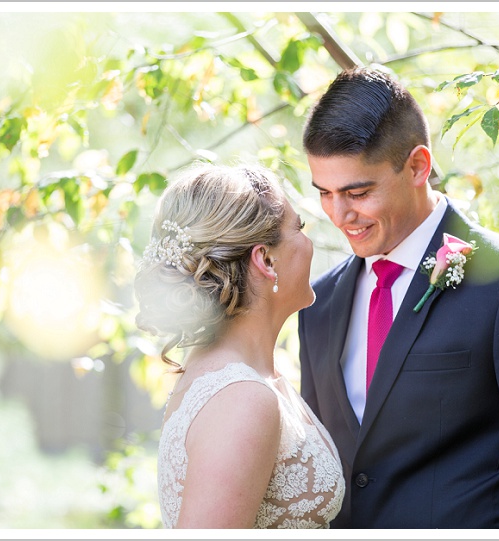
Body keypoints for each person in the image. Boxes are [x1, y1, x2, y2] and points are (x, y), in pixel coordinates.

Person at [297, 67, 499, 528]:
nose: (340, 214)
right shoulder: (320, 303)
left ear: (417, 166)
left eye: (358, 191)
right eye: (325, 194)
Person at [134, 162, 345, 529]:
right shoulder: (242, 398)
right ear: (265, 259)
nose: (308, 242)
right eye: (299, 228)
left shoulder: (243, 375)